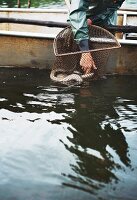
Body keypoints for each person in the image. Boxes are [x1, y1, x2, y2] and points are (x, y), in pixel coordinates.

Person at [68, 0, 125, 74]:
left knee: (104, 46)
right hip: (81, 15)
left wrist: (92, 20)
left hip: (106, 18)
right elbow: (77, 15)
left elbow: (113, 7)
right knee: (77, 33)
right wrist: (85, 52)